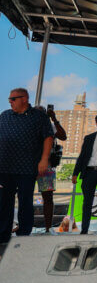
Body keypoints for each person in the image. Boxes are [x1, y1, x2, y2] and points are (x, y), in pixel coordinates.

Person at [0, 88, 54, 243]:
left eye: (13, 99)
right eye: (9, 99)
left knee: (25, 201)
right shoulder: (4, 115)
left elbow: (48, 137)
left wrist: (44, 159)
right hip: (4, 167)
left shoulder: (39, 117)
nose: (10, 102)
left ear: (24, 99)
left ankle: (23, 235)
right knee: (4, 201)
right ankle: (3, 234)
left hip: (27, 167)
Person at [35, 105, 66, 233]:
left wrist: (54, 118)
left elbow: (63, 136)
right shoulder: (28, 126)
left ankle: (48, 228)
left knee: (48, 198)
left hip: (47, 167)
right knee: (23, 196)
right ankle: (22, 226)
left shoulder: (50, 126)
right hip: (27, 165)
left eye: (42, 114)